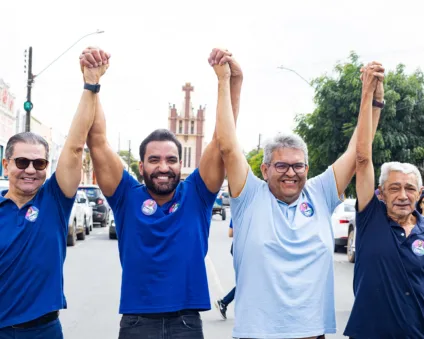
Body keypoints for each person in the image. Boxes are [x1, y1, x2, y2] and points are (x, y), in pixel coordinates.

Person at [212, 53, 385, 338]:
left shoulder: (319, 192)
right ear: (265, 169)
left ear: (307, 168)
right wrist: (226, 81)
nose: (291, 173)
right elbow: (228, 147)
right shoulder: (250, 195)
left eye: (298, 165)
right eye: (281, 165)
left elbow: (358, 154)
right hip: (257, 334)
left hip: (310, 333)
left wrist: (373, 100)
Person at [78, 47, 242, 339]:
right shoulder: (126, 195)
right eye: (154, 160)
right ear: (141, 166)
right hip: (137, 324)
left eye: (171, 159)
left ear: (181, 164)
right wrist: (93, 83)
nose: (163, 167)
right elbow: (98, 140)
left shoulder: (197, 195)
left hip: (186, 324)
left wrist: (227, 82)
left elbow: (222, 140)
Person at [0, 53, 109, 338]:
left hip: (46, 329)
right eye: (22, 162)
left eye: (40, 163)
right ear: (6, 164)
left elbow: (74, 146)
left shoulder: (55, 201)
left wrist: (91, 85)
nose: (31, 170)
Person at [344, 66, 424, 337]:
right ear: (381, 192)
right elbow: (363, 157)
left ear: (420, 192)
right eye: (395, 188)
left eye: (410, 189)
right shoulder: (370, 218)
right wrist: (369, 96)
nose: (403, 195)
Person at [215, 219, 236, 320]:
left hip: (242, 248)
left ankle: (224, 302)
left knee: (249, 281)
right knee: (248, 282)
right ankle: (224, 302)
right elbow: (230, 233)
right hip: (242, 249)